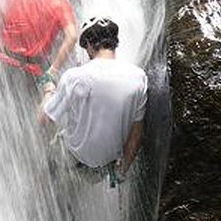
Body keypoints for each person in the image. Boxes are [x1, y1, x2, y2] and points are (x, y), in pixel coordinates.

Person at [40, 16, 147, 182]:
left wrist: (49, 90)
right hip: (102, 168)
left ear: (89, 45)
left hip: (70, 157)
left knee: (49, 136)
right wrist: (122, 171)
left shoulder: (74, 77)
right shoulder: (139, 78)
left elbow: (44, 118)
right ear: (114, 42)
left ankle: (46, 186)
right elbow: (137, 133)